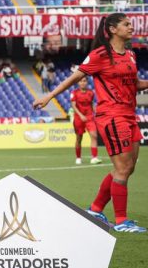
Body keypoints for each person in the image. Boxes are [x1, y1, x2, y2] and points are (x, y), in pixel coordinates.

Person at [35, 13, 147, 233]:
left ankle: (96, 209)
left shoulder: (131, 55)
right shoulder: (100, 55)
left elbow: (135, 84)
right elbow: (75, 77)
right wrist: (49, 96)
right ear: (113, 29)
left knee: (127, 168)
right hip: (112, 116)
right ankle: (122, 221)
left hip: (129, 115)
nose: (130, 27)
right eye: (126, 24)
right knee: (123, 169)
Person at [70, 76, 101, 165]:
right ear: (78, 83)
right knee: (79, 139)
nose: (83, 83)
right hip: (79, 118)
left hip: (89, 117)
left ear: (87, 82)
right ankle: (78, 157)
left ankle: (94, 158)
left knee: (94, 135)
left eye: (84, 81)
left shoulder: (91, 93)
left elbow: (92, 104)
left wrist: (96, 113)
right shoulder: (74, 93)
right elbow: (73, 105)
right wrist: (81, 115)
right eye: (81, 81)